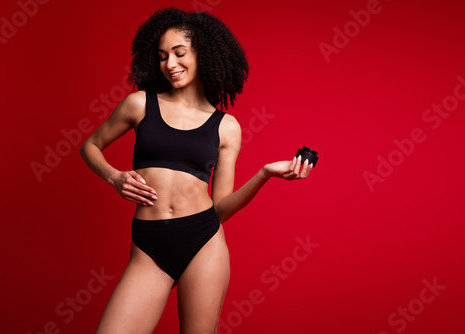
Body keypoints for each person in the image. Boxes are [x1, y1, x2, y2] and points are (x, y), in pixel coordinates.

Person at [80, 7, 314, 334]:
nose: (170, 65)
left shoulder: (227, 127)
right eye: (162, 56)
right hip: (149, 245)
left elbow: (221, 209)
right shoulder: (139, 105)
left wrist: (264, 174)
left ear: (202, 54)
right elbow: (89, 146)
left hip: (202, 241)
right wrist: (114, 176)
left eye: (179, 53)